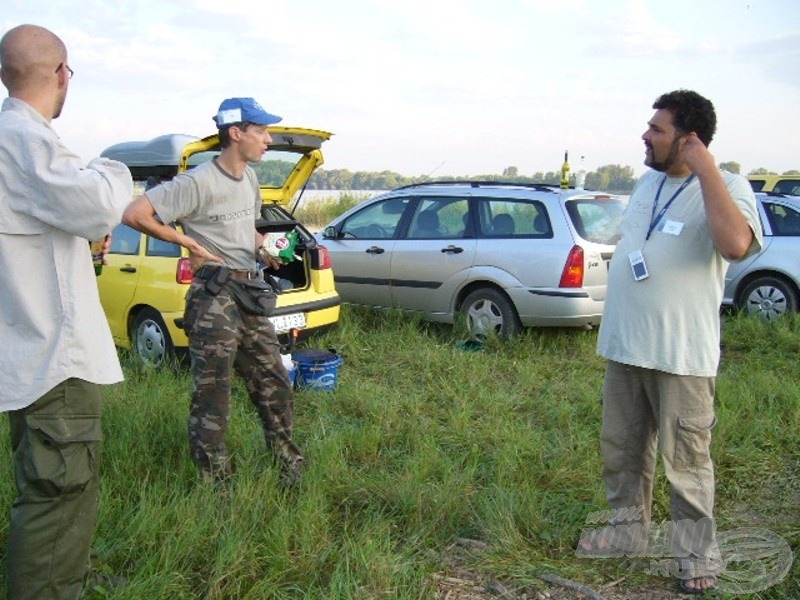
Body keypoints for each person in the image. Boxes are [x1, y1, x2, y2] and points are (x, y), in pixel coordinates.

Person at [581, 90, 763, 595]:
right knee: (621, 451)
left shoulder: (726, 185)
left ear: (688, 140)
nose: (645, 135)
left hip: (681, 356)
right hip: (625, 347)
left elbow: (735, 245)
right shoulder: (646, 184)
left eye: (657, 130)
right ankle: (627, 533)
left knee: (686, 462)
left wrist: (706, 170)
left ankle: (696, 556)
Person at [0, 24, 133, 600]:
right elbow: (101, 202)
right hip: (54, 360)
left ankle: (55, 582)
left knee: (47, 489)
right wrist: (113, 167)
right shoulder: (24, 140)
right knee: (58, 498)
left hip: (26, 355)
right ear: (61, 74)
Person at [122, 97, 304, 486]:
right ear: (236, 133)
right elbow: (135, 214)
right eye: (261, 132)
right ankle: (217, 484)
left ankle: (290, 468)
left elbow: (247, 229)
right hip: (213, 295)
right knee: (213, 393)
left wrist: (264, 249)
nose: (268, 140)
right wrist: (188, 243)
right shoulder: (197, 182)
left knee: (273, 381)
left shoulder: (250, 179)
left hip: (248, 289)